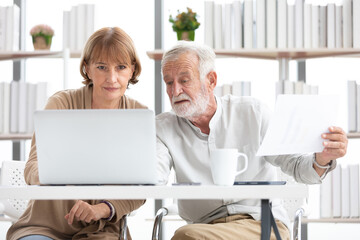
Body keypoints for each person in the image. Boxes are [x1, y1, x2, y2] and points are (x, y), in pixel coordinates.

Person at [156, 41, 348, 240]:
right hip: (206, 227)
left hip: (262, 224)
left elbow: (298, 167)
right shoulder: (163, 128)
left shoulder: (252, 112)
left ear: (211, 80)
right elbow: (154, 176)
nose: (175, 91)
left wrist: (322, 158)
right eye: (169, 82)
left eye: (184, 80)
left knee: (186, 236)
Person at [7, 27, 146, 240]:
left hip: (103, 231)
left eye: (121, 67)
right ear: (87, 69)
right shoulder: (61, 104)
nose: (112, 78)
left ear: (132, 70)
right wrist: (61, 175)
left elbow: (141, 188)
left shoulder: (139, 115)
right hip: (45, 227)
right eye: (101, 67)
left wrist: (103, 208)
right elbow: (31, 169)